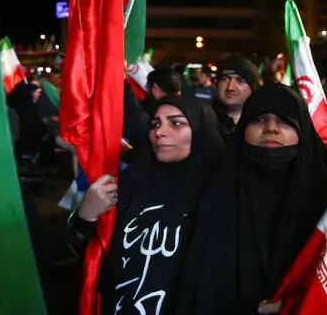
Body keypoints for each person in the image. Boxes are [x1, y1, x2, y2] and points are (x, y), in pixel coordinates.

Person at [178, 84, 327, 314]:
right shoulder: (214, 187)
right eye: (258, 120)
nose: (271, 129)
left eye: (285, 121)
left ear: (303, 128)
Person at [68, 98, 226, 314]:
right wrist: (85, 216)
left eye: (176, 123)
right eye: (155, 124)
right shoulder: (131, 182)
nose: (160, 132)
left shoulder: (222, 191)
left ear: (201, 131)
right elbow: (88, 255)